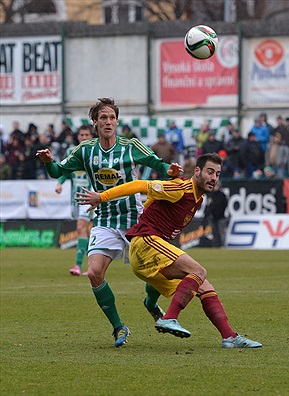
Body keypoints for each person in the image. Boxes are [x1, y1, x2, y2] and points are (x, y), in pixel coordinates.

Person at [36, 97, 183, 348]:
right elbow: (58, 172)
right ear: (95, 122)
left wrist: (170, 170)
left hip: (135, 220)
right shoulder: (85, 151)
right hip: (105, 219)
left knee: (160, 271)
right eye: (103, 118)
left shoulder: (131, 146)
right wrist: (49, 161)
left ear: (117, 121)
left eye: (112, 118)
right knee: (93, 273)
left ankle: (150, 302)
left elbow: (157, 163)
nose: (108, 122)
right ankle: (119, 327)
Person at [77, 153, 262, 349]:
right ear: (197, 171)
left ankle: (229, 337)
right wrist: (102, 197)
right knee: (198, 272)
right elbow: (140, 185)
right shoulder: (180, 188)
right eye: (209, 172)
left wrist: (147, 209)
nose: (214, 178)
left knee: (205, 286)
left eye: (217, 174)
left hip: (148, 251)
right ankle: (169, 318)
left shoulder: (198, 197)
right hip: (146, 242)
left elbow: (152, 203)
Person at [55, 125, 95, 276]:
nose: (84, 137)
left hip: (90, 196)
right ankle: (92, 265)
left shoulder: (94, 152)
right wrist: (59, 183)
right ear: (78, 137)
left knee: (80, 228)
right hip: (75, 198)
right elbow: (65, 170)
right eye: (81, 135)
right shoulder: (70, 152)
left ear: (91, 137)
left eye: (86, 135)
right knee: (85, 231)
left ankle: (77, 265)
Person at [205, 181, 229, 248]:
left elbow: (223, 206)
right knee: (214, 232)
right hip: (213, 217)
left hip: (220, 217)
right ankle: (216, 244)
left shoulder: (222, 195)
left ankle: (222, 245)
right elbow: (209, 206)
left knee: (221, 232)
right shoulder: (212, 195)